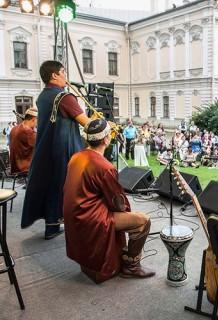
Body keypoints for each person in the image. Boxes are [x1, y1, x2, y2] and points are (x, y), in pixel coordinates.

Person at [63, 119, 155, 283]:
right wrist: (128, 212)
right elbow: (117, 202)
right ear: (106, 139)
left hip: (74, 217)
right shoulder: (104, 166)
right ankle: (131, 266)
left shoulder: (76, 157)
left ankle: (121, 258)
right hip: (91, 219)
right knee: (143, 221)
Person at [21, 60, 90, 239]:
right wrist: (106, 125)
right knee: (69, 186)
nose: (66, 77)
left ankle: (52, 226)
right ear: (54, 75)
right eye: (63, 72)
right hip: (64, 150)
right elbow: (87, 123)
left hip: (47, 148)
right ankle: (78, 222)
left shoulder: (42, 96)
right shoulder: (64, 97)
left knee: (54, 184)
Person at [9, 107, 38, 174]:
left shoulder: (14, 129)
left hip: (14, 167)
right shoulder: (28, 131)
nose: (37, 124)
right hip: (24, 169)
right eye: (37, 121)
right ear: (34, 119)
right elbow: (42, 146)